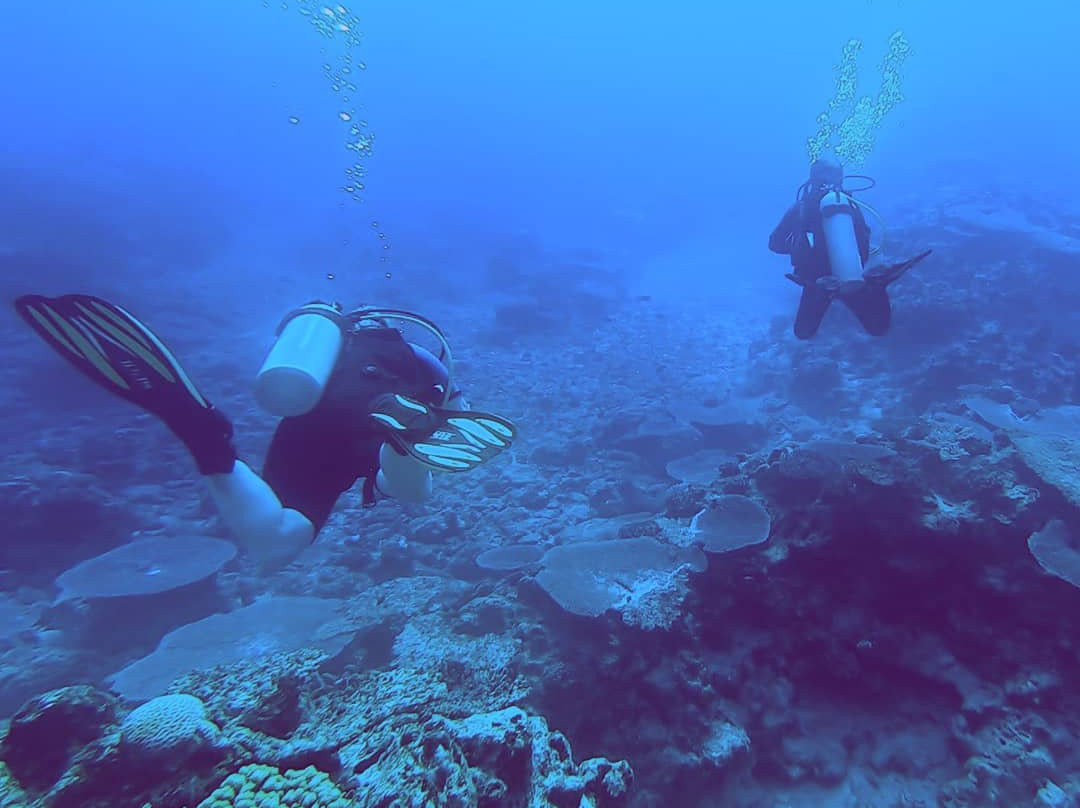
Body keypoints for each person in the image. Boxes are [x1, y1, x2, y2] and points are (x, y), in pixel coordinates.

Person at [14, 294, 516, 567]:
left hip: (312, 422)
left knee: (277, 541)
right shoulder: (417, 354)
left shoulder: (326, 352)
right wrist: (440, 403)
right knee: (414, 490)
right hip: (382, 414)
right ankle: (404, 433)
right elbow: (458, 409)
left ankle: (203, 437)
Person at [768, 158, 931, 340]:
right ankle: (877, 285)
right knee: (878, 328)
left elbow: (774, 244)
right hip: (852, 275)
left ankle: (827, 292)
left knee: (803, 332)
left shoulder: (801, 207)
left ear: (812, 178)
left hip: (817, 282)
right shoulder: (849, 204)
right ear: (841, 178)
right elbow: (864, 236)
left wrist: (799, 247)